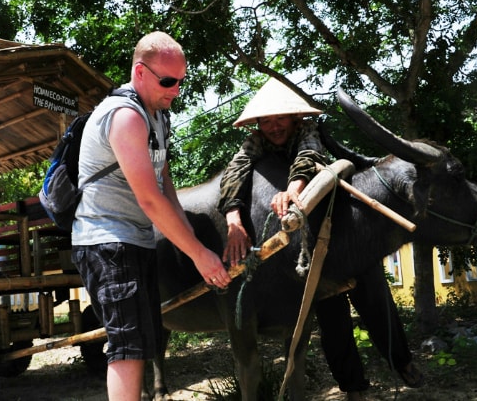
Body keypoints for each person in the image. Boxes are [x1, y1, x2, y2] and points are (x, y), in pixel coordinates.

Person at [218, 77, 422, 400]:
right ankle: (353, 388)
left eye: (280, 119)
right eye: (266, 121)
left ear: (295, 117)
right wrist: (232, 217)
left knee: (373, 291)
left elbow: (308, 158)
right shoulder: (256, 143)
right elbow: (234, 172)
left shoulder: (309, 131)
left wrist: (294, 188)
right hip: (309, 243)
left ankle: (402, 360)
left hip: (339, 226)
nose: (273, 127)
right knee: (332, 316)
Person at [71, 31, 231, 401]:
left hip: (137, 240)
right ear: (140, 72)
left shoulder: (158, 117)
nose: (176, 90)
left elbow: (165, 185)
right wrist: (199, 253)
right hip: (106, 241)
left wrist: (188, 230)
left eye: (181, 82)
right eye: (168, 81)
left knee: (144, 340)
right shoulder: (125, 116)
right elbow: (149, 200)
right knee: (127, 346)